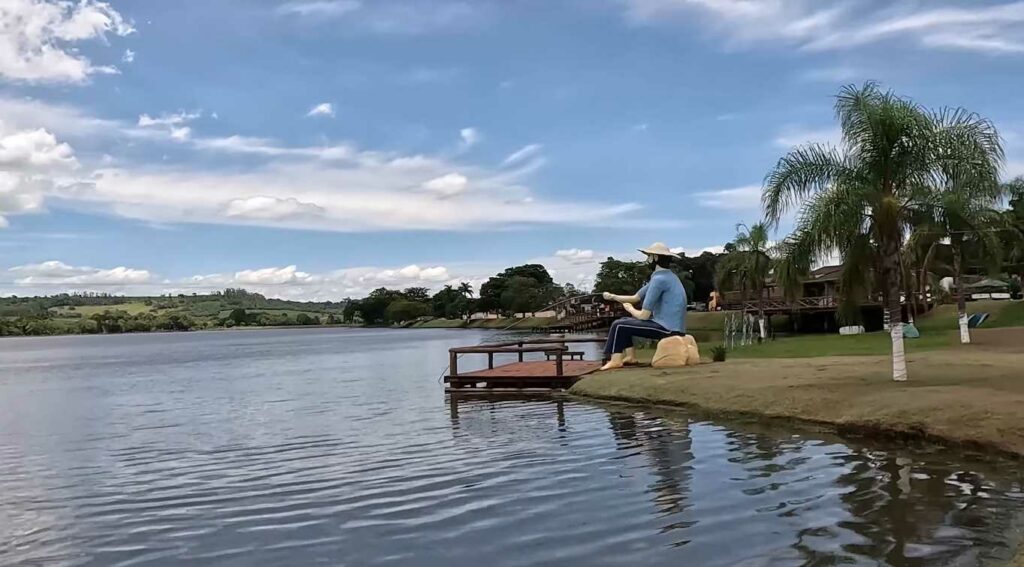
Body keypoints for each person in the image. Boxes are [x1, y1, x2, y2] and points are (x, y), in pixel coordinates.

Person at [600, 242, 686, 371]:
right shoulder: (667, 277)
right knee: (624, 322)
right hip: (673, 327)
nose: (647, 260)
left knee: (618, 325)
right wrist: (612, 297)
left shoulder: (659, 280)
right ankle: (630, 357)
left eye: (649, 257)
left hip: (667, 329)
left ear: (655, 258)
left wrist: (630, 309)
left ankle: (615, 360)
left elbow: (644, 315)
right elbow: (636, 298)